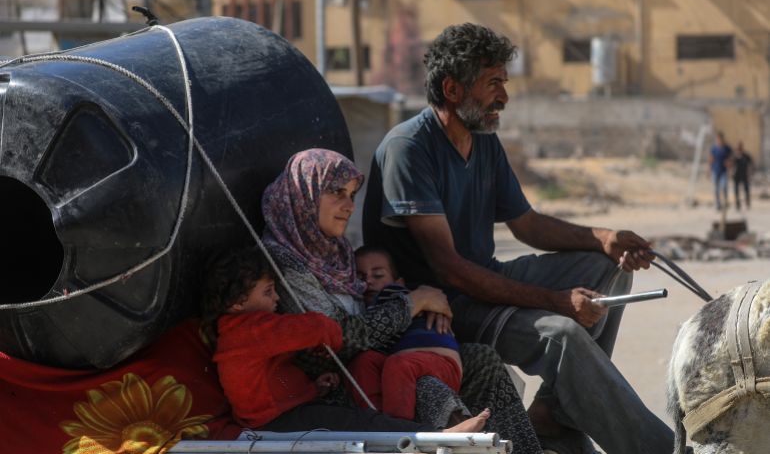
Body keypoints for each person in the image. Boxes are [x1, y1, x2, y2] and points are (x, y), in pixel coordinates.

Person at [362, 23, 674, 454]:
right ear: (452, 89)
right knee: (559, 334)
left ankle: (553, 414)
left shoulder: (484, 142)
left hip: (484, 280)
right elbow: (450, 269)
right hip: (444, 305)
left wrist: (603, 237)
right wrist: (556, 300)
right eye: (493, 85)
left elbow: (527, 224)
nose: (504, 98)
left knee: (605, 267)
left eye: (503, 83)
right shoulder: (408, 149)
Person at [261, 148, 542, 453]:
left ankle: (526, 449)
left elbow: (377, 300)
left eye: (353, 195)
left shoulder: (334, 250)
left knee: (481, 358)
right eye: (336, 192)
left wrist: (428, 309)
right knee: (421, 382)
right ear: (305, 193)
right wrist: (413, 304)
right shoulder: (285, 260)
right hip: (332, 383)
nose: (349, 206)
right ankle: (457, 440)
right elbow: (335, 341)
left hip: (377, 359)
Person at [200, 246, 489, 433]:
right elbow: (309, 328)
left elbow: (273, 381)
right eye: (268, 292)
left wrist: (313, 388)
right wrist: (332, 329)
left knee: (360, 415)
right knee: (358, 423)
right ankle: (434, 437)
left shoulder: (239, 328)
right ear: (238, 301)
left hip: (283, 411)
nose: (277, 299)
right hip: (276, 421)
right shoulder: (249, 329)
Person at [349, 246, 462, 421]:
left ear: (399, 282)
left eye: (378, 275)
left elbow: (374, 333)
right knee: (364, 362)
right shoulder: (365, 306)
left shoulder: (394, 294)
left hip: (442, 365)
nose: (368, 282)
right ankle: (374, 421)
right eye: (360, 277)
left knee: (399, 363)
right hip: (402, 365)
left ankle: (400, 430)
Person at [709, 131, 733, 211]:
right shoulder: (714, 148)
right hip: (716, 171)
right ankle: (718, 204)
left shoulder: (727, 148)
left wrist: (729, 163)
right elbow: (711, 159)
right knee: (716, 189)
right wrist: (709, 169)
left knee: (724, 187)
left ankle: (725, 202)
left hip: (724, 171)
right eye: (718, 139)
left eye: (720, 138)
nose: (719, 140)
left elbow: (732, 158)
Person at [732, 141, 753, 210]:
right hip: (736, 176)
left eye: (740, 147)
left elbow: (751, 163)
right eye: (738, 148)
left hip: (744, 175)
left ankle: (747, 202)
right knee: (736, 191)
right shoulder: (734, 156)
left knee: (746, 190)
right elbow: (730, 165)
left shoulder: (746, 155)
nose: (739, 149)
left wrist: (750, 173)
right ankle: (737, 204)